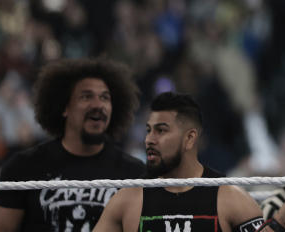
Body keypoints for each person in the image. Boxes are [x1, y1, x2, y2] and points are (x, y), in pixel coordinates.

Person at [0, 57, 145, 232]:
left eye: (104, 98)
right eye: (86, 96)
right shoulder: (23, 168)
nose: (98, 105)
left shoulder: (134, 174)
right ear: (64, 107)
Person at [94, 92, 264, 232]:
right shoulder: (127, 200)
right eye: (148, 131)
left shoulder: (231, 199)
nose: (149, 140)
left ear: (189, 139)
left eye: (161, 130)